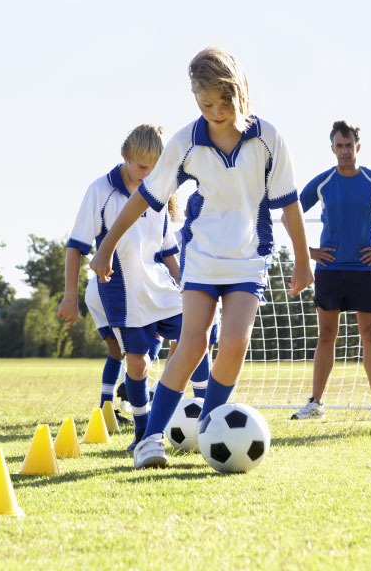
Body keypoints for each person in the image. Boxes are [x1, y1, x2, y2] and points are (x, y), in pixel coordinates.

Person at [90, 47, 312, 469]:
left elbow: (289, 203)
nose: (215, 112)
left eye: (223, 102)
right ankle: (150, 440)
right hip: (203, 255)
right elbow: (145, 198)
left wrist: (303, 261)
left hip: (248, 257)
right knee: (192, 344)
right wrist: (105, 247)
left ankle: (212, 428)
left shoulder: (268, 138)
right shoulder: (185, 142)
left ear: (240, 93)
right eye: (205, 103)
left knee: (234, 342)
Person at [58, 124, 204, 452]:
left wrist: (185, 284)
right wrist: (70, 295)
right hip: (123, 292)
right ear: (125, 157)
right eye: (141, 167)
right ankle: (143, 432)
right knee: (137, 365)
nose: (148, 174)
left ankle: (207, 412)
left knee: (197, 334)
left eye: (155, 168)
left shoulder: (159, 191)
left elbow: (167, 251)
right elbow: (76, 245)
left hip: (162, 287)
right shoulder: (100, 191)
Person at [289, 121, 371, 421]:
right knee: (326, 336)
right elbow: (289, 214)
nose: (344, 151)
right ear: (332, 148)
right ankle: (315, 403)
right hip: (329, 271)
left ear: (358, 147)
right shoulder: (323, 182)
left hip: (365, 272)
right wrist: (307, 253)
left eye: (349, 145)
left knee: (370, 335)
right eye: (339, 146)